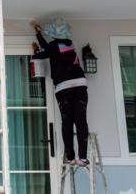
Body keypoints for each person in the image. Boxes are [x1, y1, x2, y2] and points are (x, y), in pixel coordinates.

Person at [31, 18, 90, 166]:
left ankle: (70, 157)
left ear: (53, 34)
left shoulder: (53, 46)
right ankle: (83, 157)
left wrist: (36, 46)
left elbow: (41, 53)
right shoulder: (69, 44)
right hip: (80, 83)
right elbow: (50, 50)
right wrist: (39, 35)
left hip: (64, 86)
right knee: (81, 119)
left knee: (67, 120)